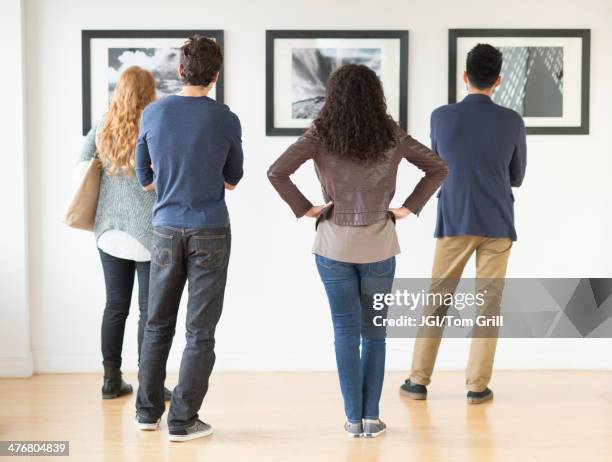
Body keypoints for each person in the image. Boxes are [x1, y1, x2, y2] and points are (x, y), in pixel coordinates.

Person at [268, 64, 447, 438]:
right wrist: (408, 208)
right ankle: (371, 418)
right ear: (375, 96)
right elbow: (437, 167)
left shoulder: (320, 133)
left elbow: (277, 172)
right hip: (380, 244)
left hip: (332, 245)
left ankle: (352, 419)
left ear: (333, 96)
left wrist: (308, 209)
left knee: (345, 332)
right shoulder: (390, 134)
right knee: (375, 335)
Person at [401, 44, 527, 404]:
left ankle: (417, 382)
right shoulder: (513, 121)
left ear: (465, 76)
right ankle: (476, 387)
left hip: (455, 218)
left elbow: (438, 166)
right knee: (488, 306)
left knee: (437, 300)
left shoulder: (440, 116)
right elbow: (516, 176)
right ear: (498, 80)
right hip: (498, 223)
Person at [134, 35, 243, 442]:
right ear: (215, 76)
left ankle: (147, 412)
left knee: (156, 323)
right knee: (200, 331)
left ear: (181, 70)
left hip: (164, 228)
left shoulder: (154, 113)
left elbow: (144, 177)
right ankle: (182, 419)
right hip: (211, 229)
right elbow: (233, 179)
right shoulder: (225, 118)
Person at [79, 66, 171, 401]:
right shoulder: (158, 124)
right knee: (151, 314)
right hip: (149, 232)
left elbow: (81, 164)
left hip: (109, 230)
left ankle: (110, 380)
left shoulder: (104, 124)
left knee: (115, 305)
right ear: (150, 90)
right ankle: (151, 385)